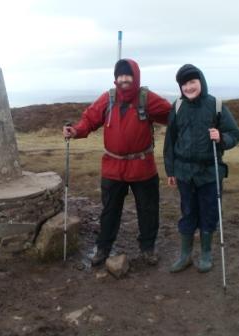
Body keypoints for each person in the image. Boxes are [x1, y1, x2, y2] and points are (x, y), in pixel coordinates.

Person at [63, 58, 171, 266]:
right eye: (120, 75)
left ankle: (147, 249)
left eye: (127, 75)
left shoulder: (147, 99)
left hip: (143, 167)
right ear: (115, 78)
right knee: (109, 211)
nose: (123, 79)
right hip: (113, 167)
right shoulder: (108, 99)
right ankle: (103, 248)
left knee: (148, 210)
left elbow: (172, 115)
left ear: (135, 77)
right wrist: (75, 131)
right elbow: (90, 119)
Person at [163, 64, 239, 273]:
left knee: (209, 212)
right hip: (184, 173)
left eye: (192, 82)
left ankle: (206, 254)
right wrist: (170, 171)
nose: (188, 87)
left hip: (209, 172)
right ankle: (185, 255)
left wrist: (222, 138)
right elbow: (170, 142)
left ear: (201, 82)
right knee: (187, 212)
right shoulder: (177, 107)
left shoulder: (215, 105)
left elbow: (235, 134)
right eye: (184, 84)